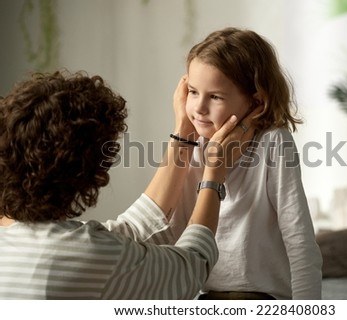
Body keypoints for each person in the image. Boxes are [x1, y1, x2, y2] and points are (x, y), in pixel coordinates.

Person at [0, 70, 258, 299]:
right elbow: (191, 265)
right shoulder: (80, 254)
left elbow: (132, 230)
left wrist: (184, 135)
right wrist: (213, 173)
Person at [169, 27, 323, 300]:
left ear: (256, 102)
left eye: (214, 96)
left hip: (261, 296)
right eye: (193, 91)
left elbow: (299, 239)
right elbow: (177, 234)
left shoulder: (274, 142)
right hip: (206, 294)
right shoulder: (195, 144)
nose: (199, 108)